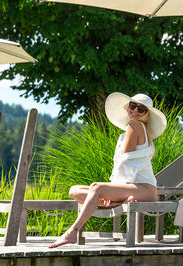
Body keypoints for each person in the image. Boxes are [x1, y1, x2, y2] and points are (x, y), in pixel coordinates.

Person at [49, 92, 167, 249]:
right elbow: (125, 165)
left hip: (144, 188)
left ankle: (72, 232)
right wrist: (111, 193)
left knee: (97, 188)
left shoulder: (135, 125)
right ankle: (117, 202)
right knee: (74, 190)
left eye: (141, 109)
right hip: (131, 186)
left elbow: (124, 163)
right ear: (127, 107)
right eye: (133, 106)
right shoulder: (128, 132)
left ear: (145, 114)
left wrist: (108, 190)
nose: (135, 111)